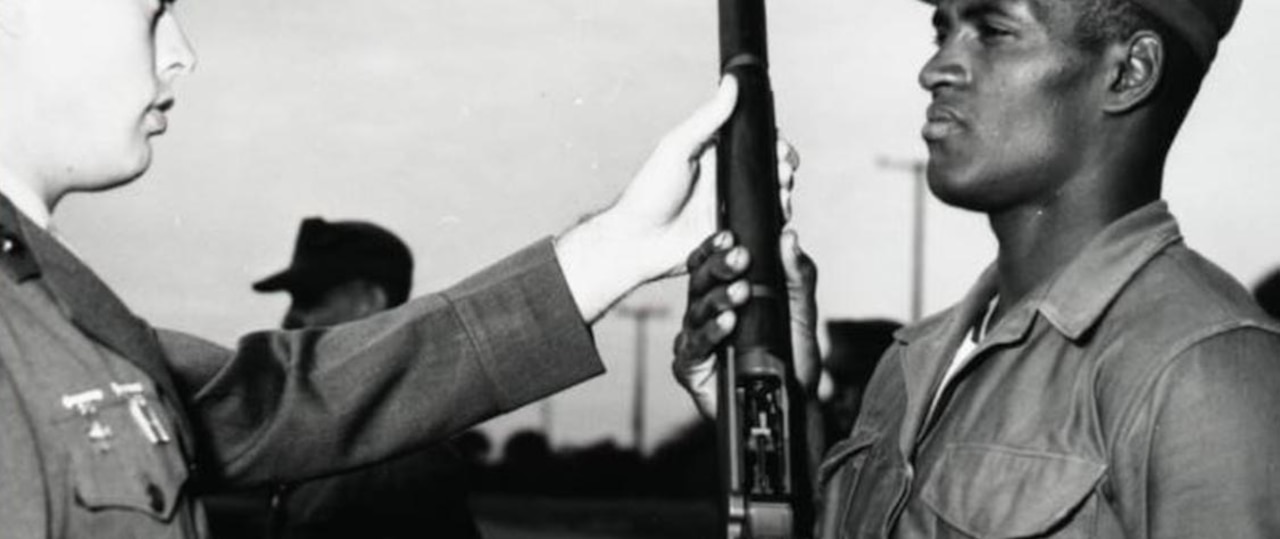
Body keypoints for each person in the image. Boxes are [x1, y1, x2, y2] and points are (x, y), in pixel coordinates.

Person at [0, 0, 788, 537]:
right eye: (153, 3)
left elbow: (294, 396)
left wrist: (615, 247)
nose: (181, 54)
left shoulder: (63, 312)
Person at [675, 0, 1280, 537]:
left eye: (992, 28)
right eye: (942, 29)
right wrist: (779, 410)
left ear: (1128, 72)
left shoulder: (1201, 366)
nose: (935, 68)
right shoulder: (909, 365)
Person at [203, 218, 482, 539]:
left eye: (308, 298)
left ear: (370, 302)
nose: (289, 318)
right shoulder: (357, 439)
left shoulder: (391, 457)